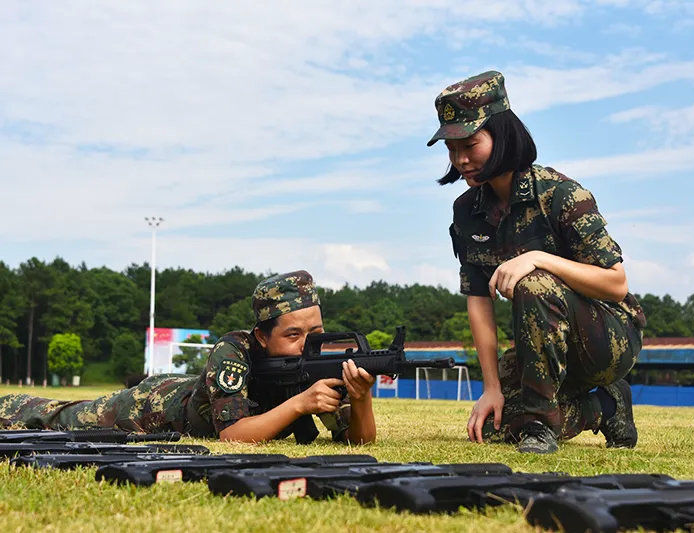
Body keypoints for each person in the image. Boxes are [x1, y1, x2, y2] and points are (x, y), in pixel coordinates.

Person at [428, 71, 646, 454]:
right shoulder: (466, 211)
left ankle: (541, 427)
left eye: (471, 144)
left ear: (502, 136)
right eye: (451, 148)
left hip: (607, 337)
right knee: (493, 426)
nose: (460, 159)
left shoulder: (560, 194)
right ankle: (607, 406)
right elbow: (478, 299)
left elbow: (616, 284)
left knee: (536, 281)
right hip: (543, 346)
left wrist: (539, 258)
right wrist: (491, 388)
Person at [0, 271, 377, 445]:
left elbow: (359, 442)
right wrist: (299, 405)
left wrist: (361, 400)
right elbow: (232, 436)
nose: (306, 345)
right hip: (152, 406)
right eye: (292, 334)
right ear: (262, 335)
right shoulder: (234, 350)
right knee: (57, 418)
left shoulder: (316, 366)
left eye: (315, 333)